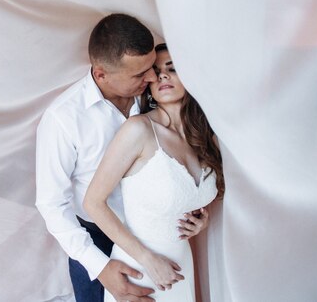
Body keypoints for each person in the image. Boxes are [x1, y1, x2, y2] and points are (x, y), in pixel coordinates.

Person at [36, 16, 209, 302]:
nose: (152, 78)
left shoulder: (153, 98)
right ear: (101, 74)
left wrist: (194, 209)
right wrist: (100, 267)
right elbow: (51, 205)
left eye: (152, 68)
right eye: (140, 74)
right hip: (98, 243)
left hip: (160, 236)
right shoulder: (63, 119)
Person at [84, 43, 225, 302]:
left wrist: (200, 219)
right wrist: (148, 260)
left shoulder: (205, 138)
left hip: (182, 266)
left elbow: (194, 195)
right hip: (140, 271)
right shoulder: (138, 130)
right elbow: (93, 202)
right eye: (155, 71)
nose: (162, 75)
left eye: (172, 69)